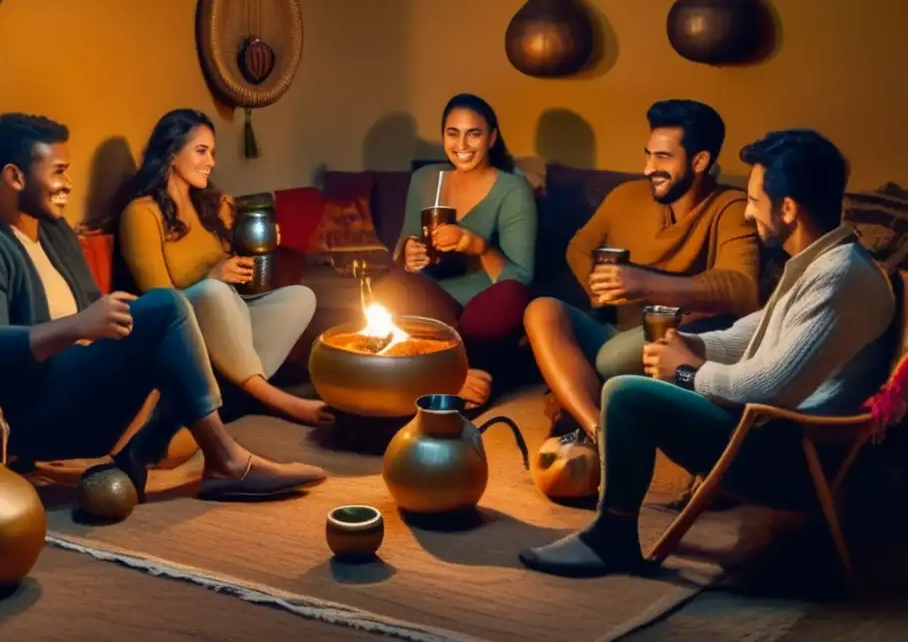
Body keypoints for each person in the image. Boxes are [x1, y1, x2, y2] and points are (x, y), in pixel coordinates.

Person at [520, 129, 896, 578]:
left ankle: (610, 540)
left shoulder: (838, 278)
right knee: (634, 373)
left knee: (626, 394)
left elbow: (765, 388)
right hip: (778, 432)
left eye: (755, 200)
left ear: (789, 209)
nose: (750, 211)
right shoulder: (823, 261)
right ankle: (611, 530)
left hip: (796, 458)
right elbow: (749, 335)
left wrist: (685, 372)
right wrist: (692, 345)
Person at [0, 113, 326, 503]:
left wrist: (110, 317)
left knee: (163, 325)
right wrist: (79, 325)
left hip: (80, 379)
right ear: (15, 177)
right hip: (32, 410)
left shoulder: (53, 232)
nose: (68, 183)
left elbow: (89, 310)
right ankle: (223, 460)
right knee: (168, 305)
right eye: (58, 171)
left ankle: (146, 448)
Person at [525, 99, 760, 451]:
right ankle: (597, 430)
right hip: (610, 328)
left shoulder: (731, 207)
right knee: (541, 310)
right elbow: (579, 246)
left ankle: (573, 403)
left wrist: (642, 283)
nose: (649, 168)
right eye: (648, 155)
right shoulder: (626, 196)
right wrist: (598, 288)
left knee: (609, 359)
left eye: (663, 157)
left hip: (668, 338)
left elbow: (741, 287)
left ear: (700, 161)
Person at [116, 109, 328, 427]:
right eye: (201, 151)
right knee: (214, 291)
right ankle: (274, 399)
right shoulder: (141, 213)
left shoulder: (213, 206)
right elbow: (161, 303)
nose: (211, 161)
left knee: (301, 297)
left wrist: (263, 241)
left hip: (229, 322)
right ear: (172, 154)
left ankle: (234, 394)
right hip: (180, 331)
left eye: (212, 153)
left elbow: (245, 278)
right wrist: (212, 277)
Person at [371, 93, 538, 408]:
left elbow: (520, 277)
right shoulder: (425, 179)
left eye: (473, 133)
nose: (462, 144)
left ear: (491, 138)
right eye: (453, 133)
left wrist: (477, 245)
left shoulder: (512, 190)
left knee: (511, 296)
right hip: (434, 303)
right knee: (389, 286)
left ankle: (434, 366)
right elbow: (405, 240)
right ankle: (463, 372)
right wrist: (408, 253)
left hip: (483, 309)